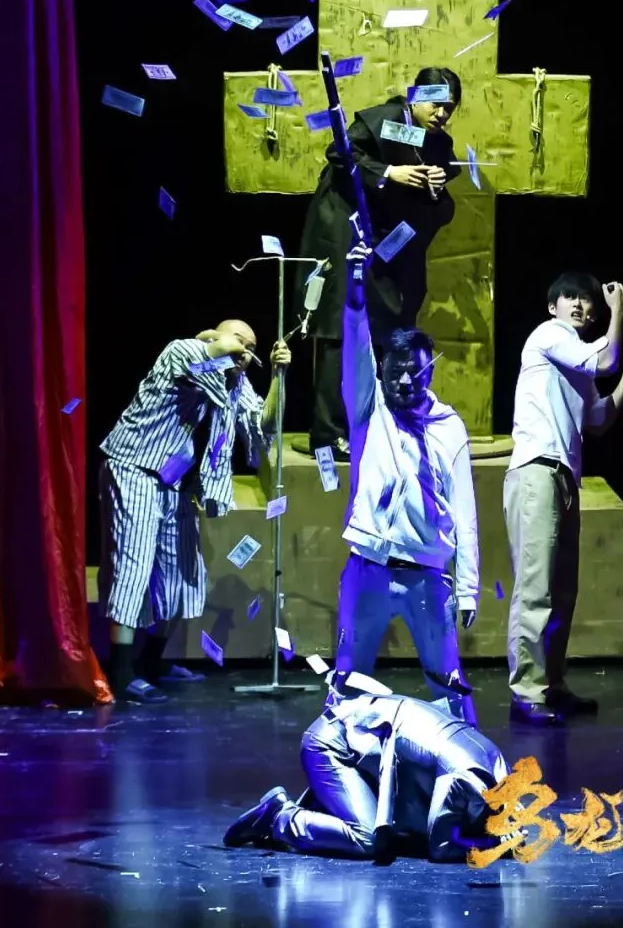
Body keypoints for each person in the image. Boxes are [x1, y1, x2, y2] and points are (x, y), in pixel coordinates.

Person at [99, 320, 291, 702]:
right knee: (135, 565)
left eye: (252, 347)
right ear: (216, 335)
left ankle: (152, 662)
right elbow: (215, 351)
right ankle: (120, 673)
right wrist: (222, 344)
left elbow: (266, 422)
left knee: (183, 571)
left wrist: (278, 375)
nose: (246, 352)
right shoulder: (183, 351)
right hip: (134, 466)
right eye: (241, 341)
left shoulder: (236, 383)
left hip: (176, 481)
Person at [332, 239, 479, 717]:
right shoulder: (369, 409)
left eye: (414, 373)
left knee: (447, 683)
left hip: (427, 575)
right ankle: (339, 754)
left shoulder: (449, 427)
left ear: (429, 372)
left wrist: (469, 586)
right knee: (349, 677)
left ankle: (469, 760)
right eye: (395, 372)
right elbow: (356, 345)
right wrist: (356, 287)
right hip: (368, 567)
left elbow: (465, 511)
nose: (403, 382)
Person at [504, 273, 623, 725]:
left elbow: (599, 418)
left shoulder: (575, 359)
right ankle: (526, 692)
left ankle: (552, 683)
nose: (580, 306)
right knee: (536, 587)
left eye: (587, 301)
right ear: (553, 307)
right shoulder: (550, 335)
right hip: (537, 470)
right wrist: (618, 309)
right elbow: (605, 357)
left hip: (564, 475)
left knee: (563, 589)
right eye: (571, 298)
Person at [299, 69, 461, 456]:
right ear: (415, 97)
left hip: (387, 244)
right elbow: (339, 152)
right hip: (344, 229)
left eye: (450, 107)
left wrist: (434, 185)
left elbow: (440, 195)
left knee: (389, 325)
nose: (441, 114)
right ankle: (328, 434)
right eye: (436, 104)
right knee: (341, 327)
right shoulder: (387, 119)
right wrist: (389, 172)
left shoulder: (436, 140)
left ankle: (377, 423)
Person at [223, 676, 508, 861]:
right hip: (332, 742)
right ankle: (278, 817)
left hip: (365, 738)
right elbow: (440, 846)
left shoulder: (496, 763)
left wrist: (503, 828)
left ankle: (326, 810)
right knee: (367, 839)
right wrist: (494, 846)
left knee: (401, 826)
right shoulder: (465, 778)